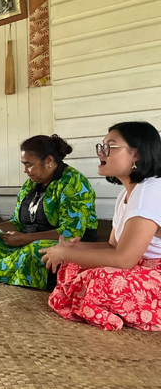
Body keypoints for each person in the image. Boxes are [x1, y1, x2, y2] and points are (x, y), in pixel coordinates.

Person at [43, 122, 161, 330]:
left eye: (110, 146)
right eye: (101, 146)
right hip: (138, 267)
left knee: (99, 279)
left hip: (154, 273)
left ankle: (104, 308)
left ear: (136, 154)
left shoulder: (149, 192)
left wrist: (66, 253)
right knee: (73, 268)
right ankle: (97, 306)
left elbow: (124, 259)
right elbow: (113, 246)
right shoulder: (126, 193)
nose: (101, 153)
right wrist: (71, 249)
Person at [0, 134, 98, 290]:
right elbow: (17, 223)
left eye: (29, 165)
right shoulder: (29, 185)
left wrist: (26, 239)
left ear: (49, 161)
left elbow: (71, 233)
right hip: (26, 239)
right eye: (24, 165)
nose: (25, 170)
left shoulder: (73, 182)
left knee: (34, 250)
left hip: (65, 243)